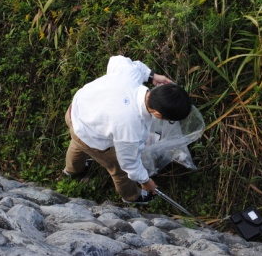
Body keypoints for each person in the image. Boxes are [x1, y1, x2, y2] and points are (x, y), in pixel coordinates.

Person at [61, 55, 192, 204]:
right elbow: (128, 163)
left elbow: (117, 60)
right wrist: (145, 181)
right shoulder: (130, 127)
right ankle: (131, 196)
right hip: (89, 133)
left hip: (75, 111)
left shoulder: (129, 75)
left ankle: (71, 171)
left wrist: (153, 76)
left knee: (77, 142)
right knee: (119, 170)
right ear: (158, 114)